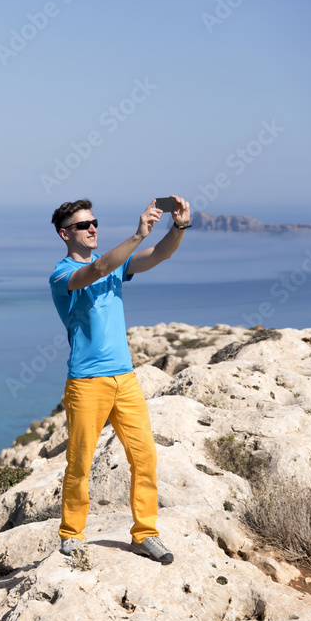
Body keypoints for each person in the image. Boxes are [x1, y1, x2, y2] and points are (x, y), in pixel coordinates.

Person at [48, 197, 191, 564]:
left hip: (125, 378)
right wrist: (137, 233)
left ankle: (145, 534)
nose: (92, 227)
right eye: (83, 225)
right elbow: (96, 270)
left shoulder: (115, 265)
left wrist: (178, 227)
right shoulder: (62, 275)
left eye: (94, 222)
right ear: (65, 234)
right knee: (79, 463)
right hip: (86, 383)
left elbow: (160, 254)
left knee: (144, 457)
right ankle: (71, 535)